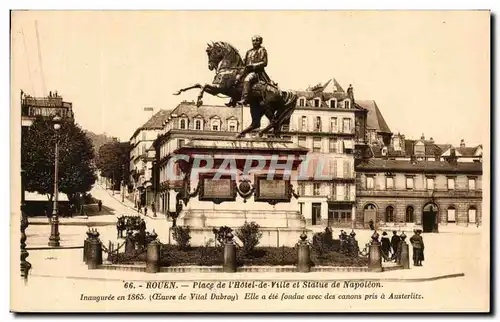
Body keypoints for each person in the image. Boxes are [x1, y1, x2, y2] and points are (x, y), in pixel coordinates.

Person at [235, 35, 272, 106]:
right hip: (247, 71)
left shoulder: (262, 50)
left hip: (256, 72)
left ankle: (244, 99)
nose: (254, 42)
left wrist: (253, 65)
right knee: (236, 79)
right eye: (253, 40)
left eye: (257, 40)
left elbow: (264, 62)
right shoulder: (249, 51)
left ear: (260, 42)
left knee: (247, 80)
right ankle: (234, 99)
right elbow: (244, 62)